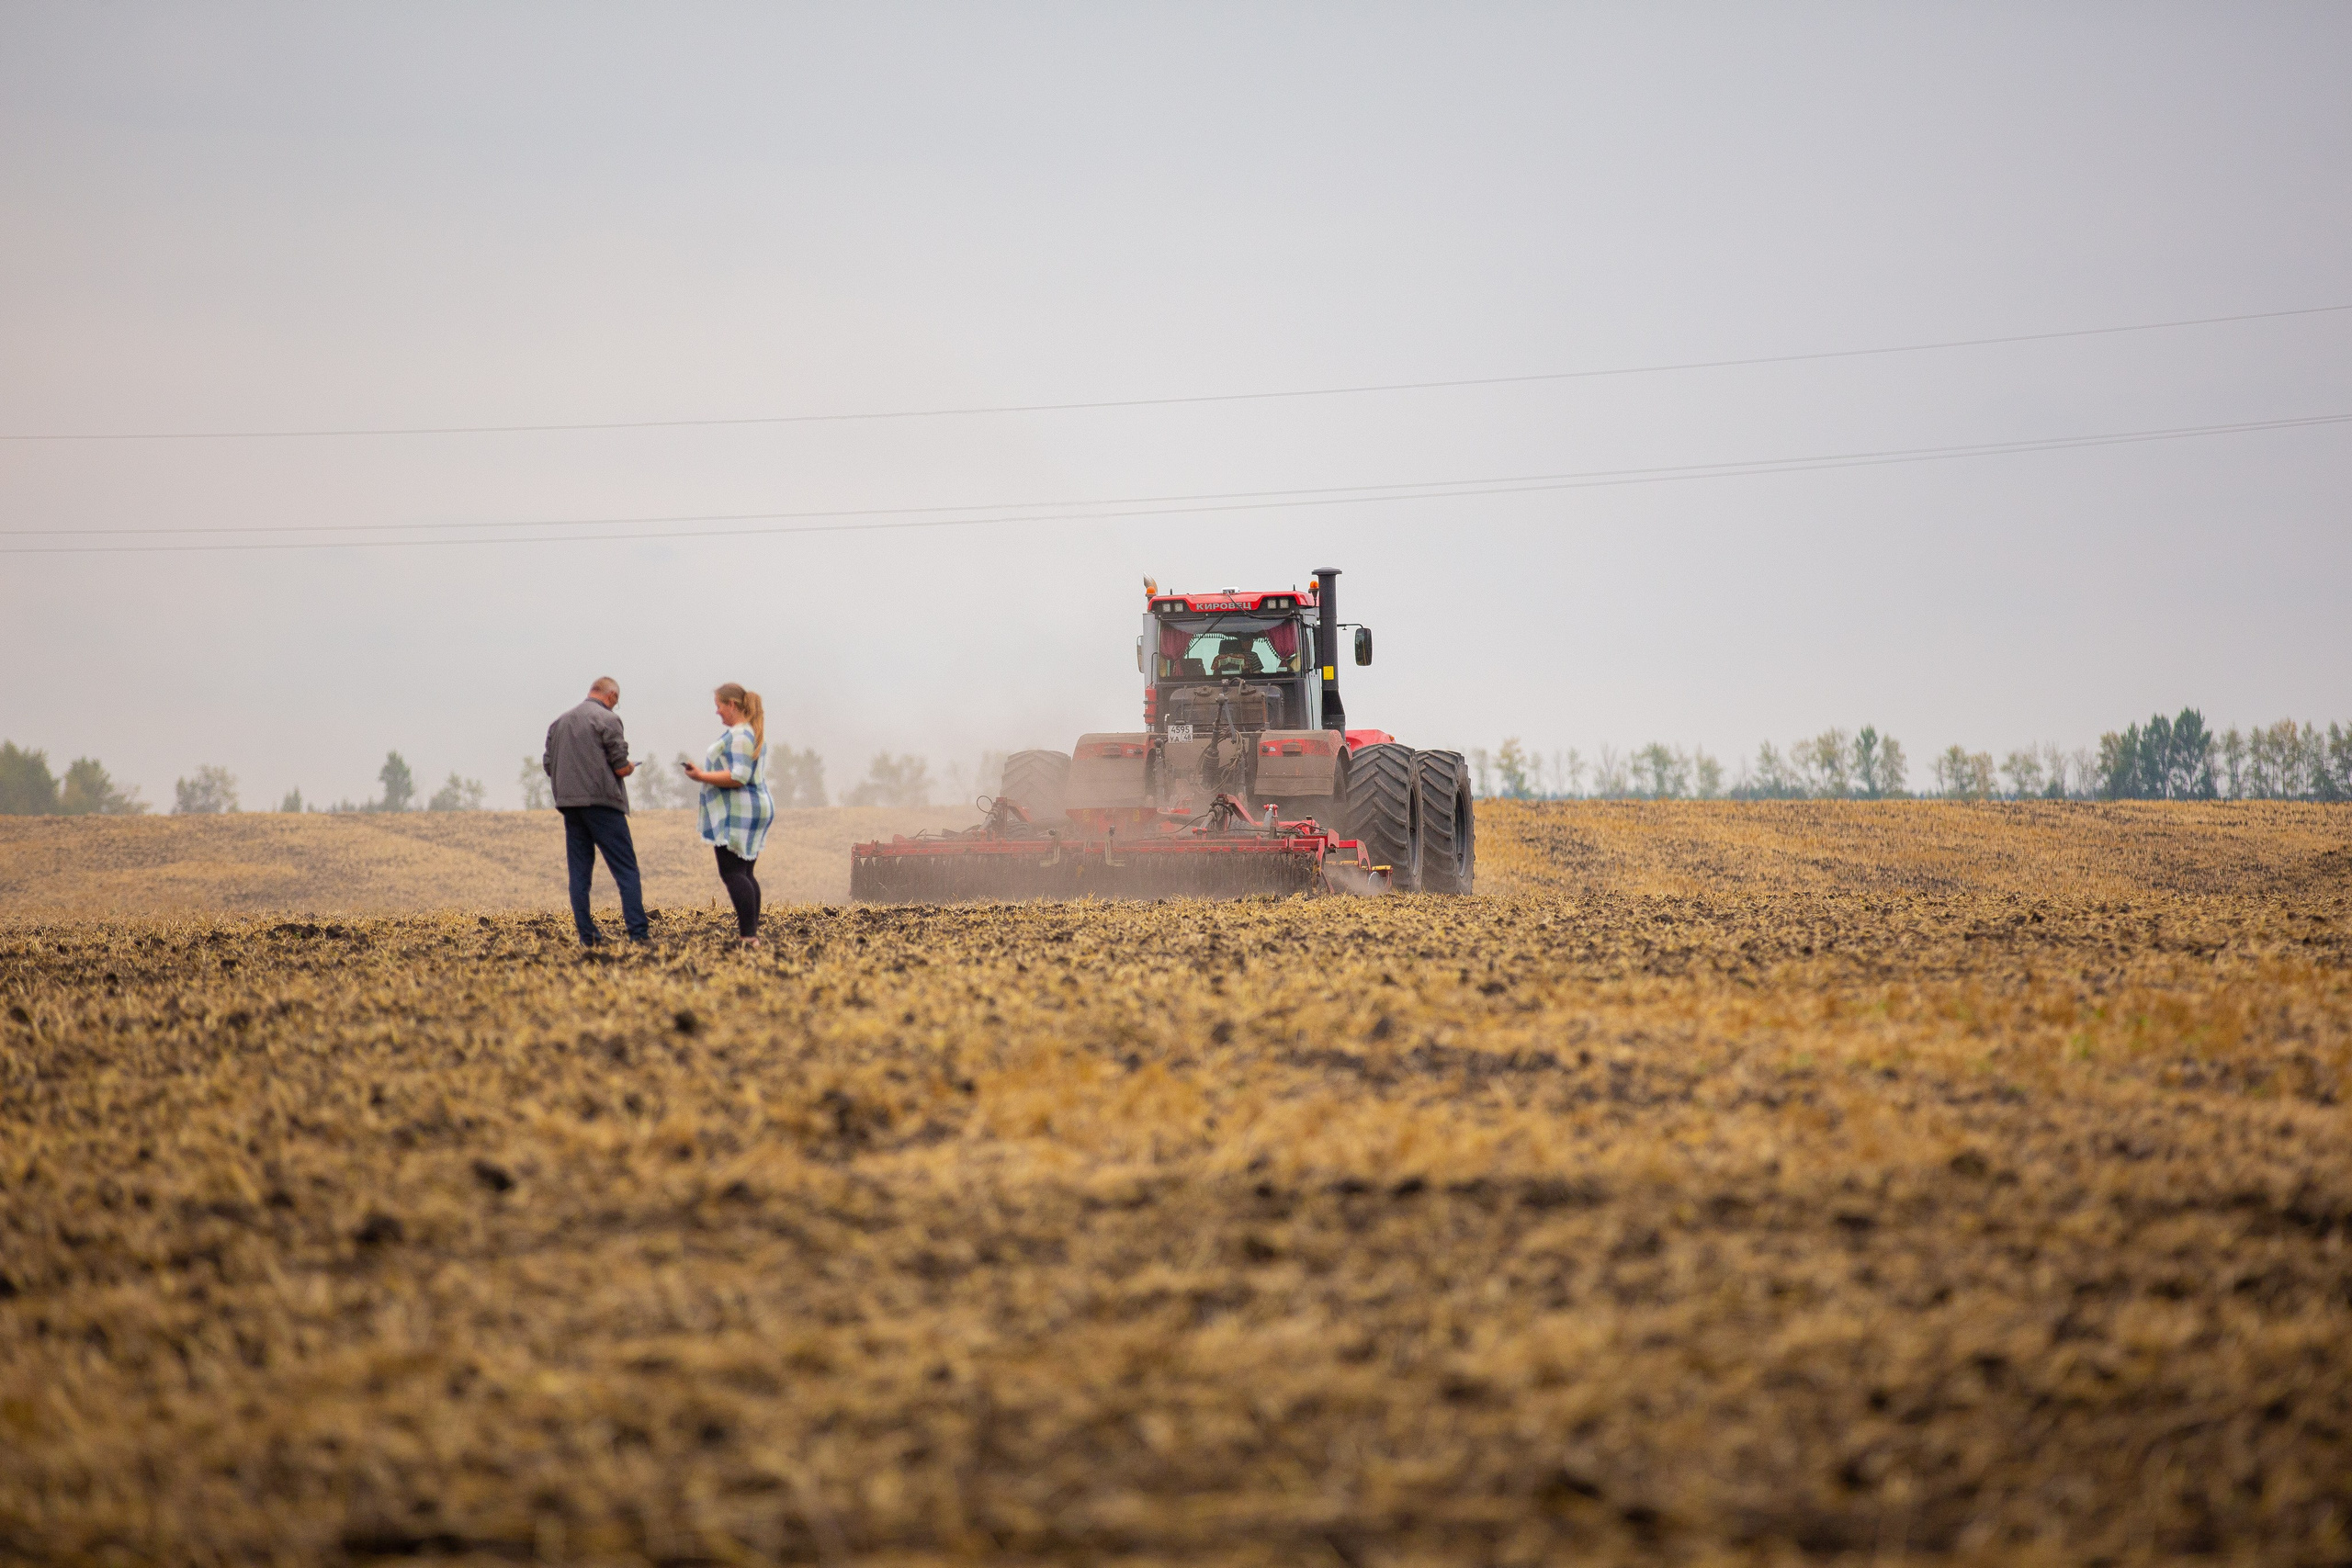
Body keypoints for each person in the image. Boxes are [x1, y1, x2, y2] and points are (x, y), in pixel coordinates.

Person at [543, 676, 649, 946]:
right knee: (626, 870)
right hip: (603, 805)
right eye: (616, 702)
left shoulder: (559, 723)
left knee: (579, 873)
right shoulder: (608, 720)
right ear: (611, 696)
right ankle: (638, 934)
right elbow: (620, 766)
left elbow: (548, 765)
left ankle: (587, 936)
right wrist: (631, 768)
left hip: (570, 805)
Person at [680, 682, 775, 947]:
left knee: (733, 873)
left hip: (738, 811)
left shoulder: (741, 735)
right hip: (749, 808)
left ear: (731, 705)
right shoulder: (746, 733)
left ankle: (748, 937)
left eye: (719, 706)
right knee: (744, 873)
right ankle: (750, 934)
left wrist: (700, 776)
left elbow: (739, 776)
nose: (717, 712)